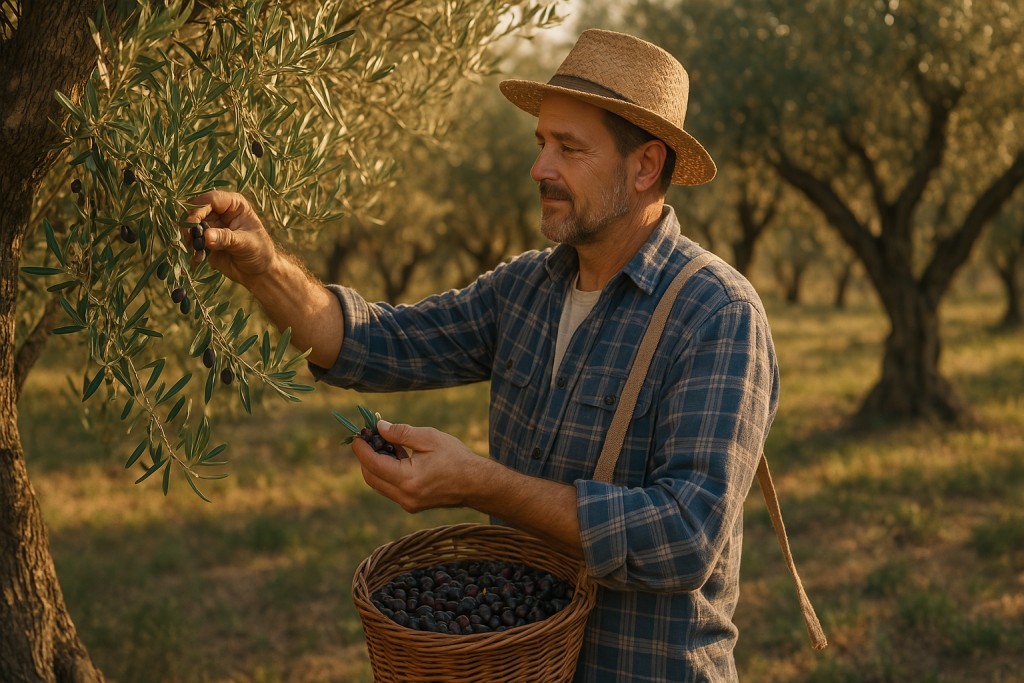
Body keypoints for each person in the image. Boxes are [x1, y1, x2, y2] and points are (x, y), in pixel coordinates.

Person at [187, 28, 778, 683]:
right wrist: (266, 267)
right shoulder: (525, 290)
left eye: (569, 148)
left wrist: (482, 483)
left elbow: (686, 534)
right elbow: (373, 341)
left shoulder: (716, 313)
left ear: (645, 166)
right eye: (541, 143)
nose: (540, 169)